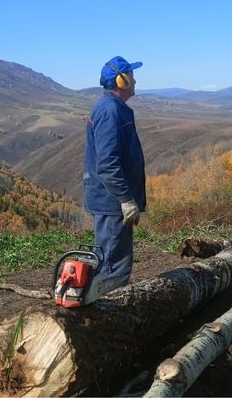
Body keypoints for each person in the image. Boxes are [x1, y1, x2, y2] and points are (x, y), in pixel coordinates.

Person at [83, 55, 146, 291]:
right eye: (131, 75)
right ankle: (106, 313)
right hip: (111, 202)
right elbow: (108, 163)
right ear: (122, 81)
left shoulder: (113, 107)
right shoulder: (110, 111)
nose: (135, 80)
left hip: (111, 200)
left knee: (111, 260)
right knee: (113, 266)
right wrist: (126, 199)